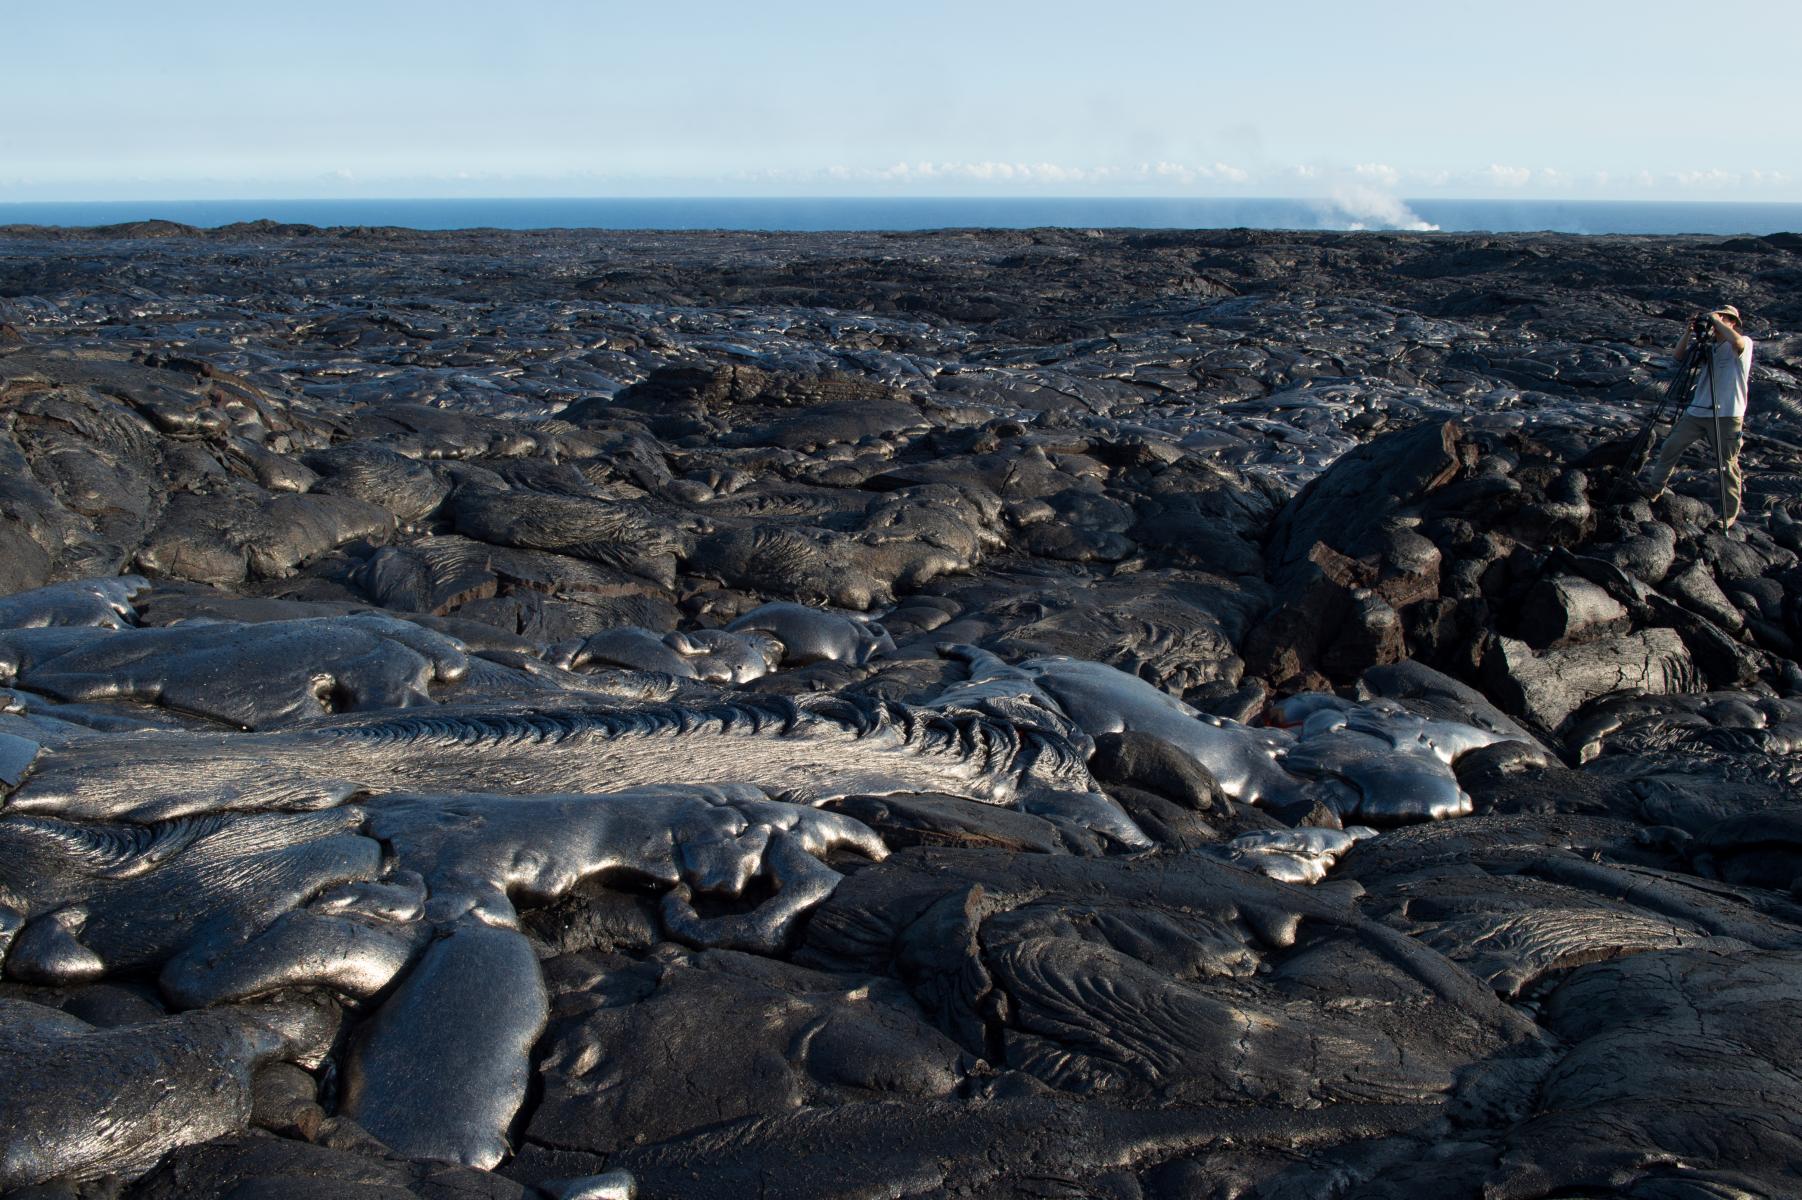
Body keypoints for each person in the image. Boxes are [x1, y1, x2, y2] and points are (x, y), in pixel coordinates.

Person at [1643, 304, 1754, 529]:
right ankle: (1654, 489)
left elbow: (1738, 342)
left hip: (1727, 415)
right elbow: (1678, 356)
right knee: (1670, 447)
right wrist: (1688, 332)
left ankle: (1728, 516)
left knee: (1727, 465)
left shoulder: (1742, 344)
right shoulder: (1708, 347)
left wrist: (1716, 320)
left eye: (1725, 318)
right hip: (1697, 410)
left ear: (1732, 323)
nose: (1718, 322)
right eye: (1718, 317)